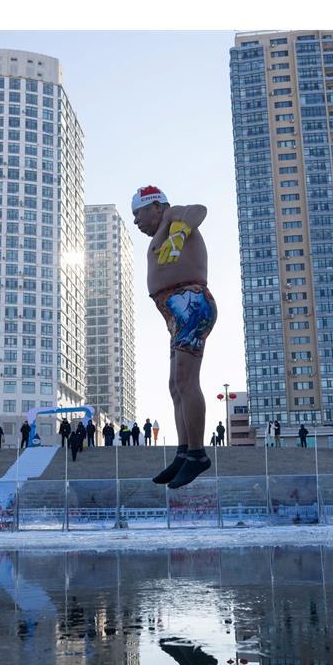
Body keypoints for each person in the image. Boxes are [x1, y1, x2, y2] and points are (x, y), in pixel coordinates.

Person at [135, 185, 216, 489]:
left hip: (191, 303)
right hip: (177, 313)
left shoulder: (173, 216)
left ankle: (197, 454)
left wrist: (179, 232)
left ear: (155, 206)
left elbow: (199, 210)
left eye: (137, 213)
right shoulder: (162, 229)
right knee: (175, 385)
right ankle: (184, 452)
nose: (136, 221)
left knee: (185, 380)